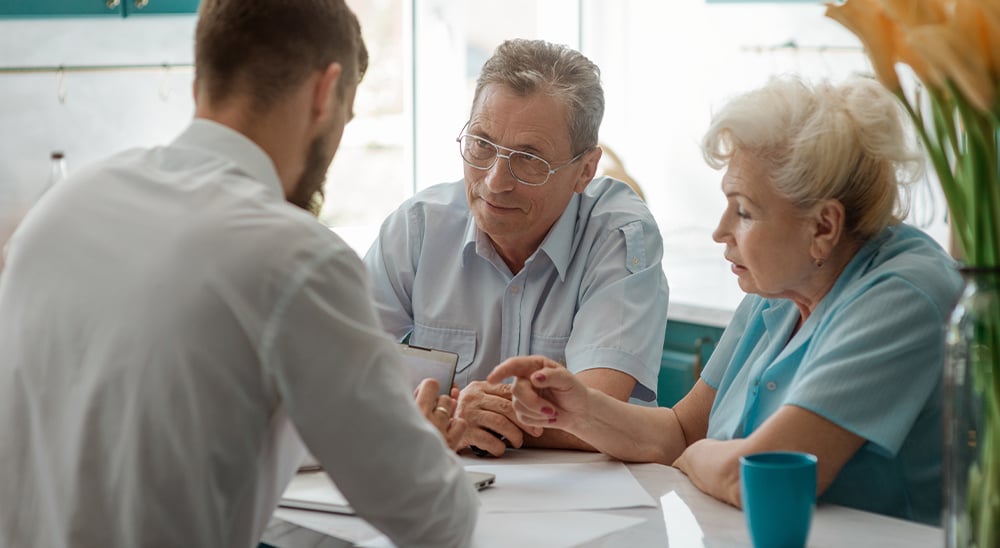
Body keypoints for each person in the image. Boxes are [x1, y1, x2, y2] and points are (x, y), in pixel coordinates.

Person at [0, 1, 477, 547]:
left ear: (200, 79)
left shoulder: (58, 211)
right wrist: (418, 440)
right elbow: (438, 521)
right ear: (326, 93)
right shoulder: (297, 258)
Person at [488, 75, 963, 525]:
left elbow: (753, 476)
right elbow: (678, 430)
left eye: (744, 211)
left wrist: (695, 458)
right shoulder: (780, 286)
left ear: (823, 226)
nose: (720, 231)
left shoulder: (904, 296)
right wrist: (581, 408)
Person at [363, 38, 669, 457]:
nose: (494, 181)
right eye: (482, 144)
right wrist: (452, 415)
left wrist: (464, 415)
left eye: (529, 159)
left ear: (585, 171)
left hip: (583, 500)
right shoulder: (419, 226)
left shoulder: (618, 234)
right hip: (451, 485)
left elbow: (599, 411)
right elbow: (340, 370)